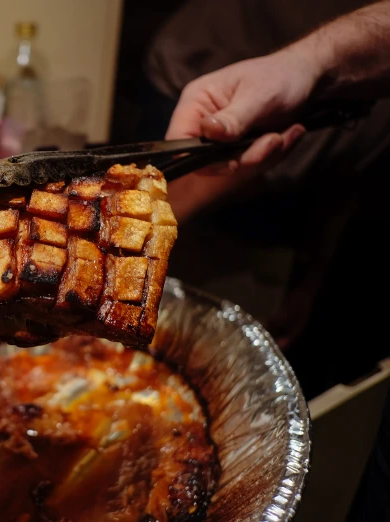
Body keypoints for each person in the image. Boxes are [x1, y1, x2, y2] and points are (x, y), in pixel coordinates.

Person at [143, 2, 390, 520]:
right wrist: (314, 61)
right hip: (220, 68)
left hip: (319, 132)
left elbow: (349, 171)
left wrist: (311, 274)